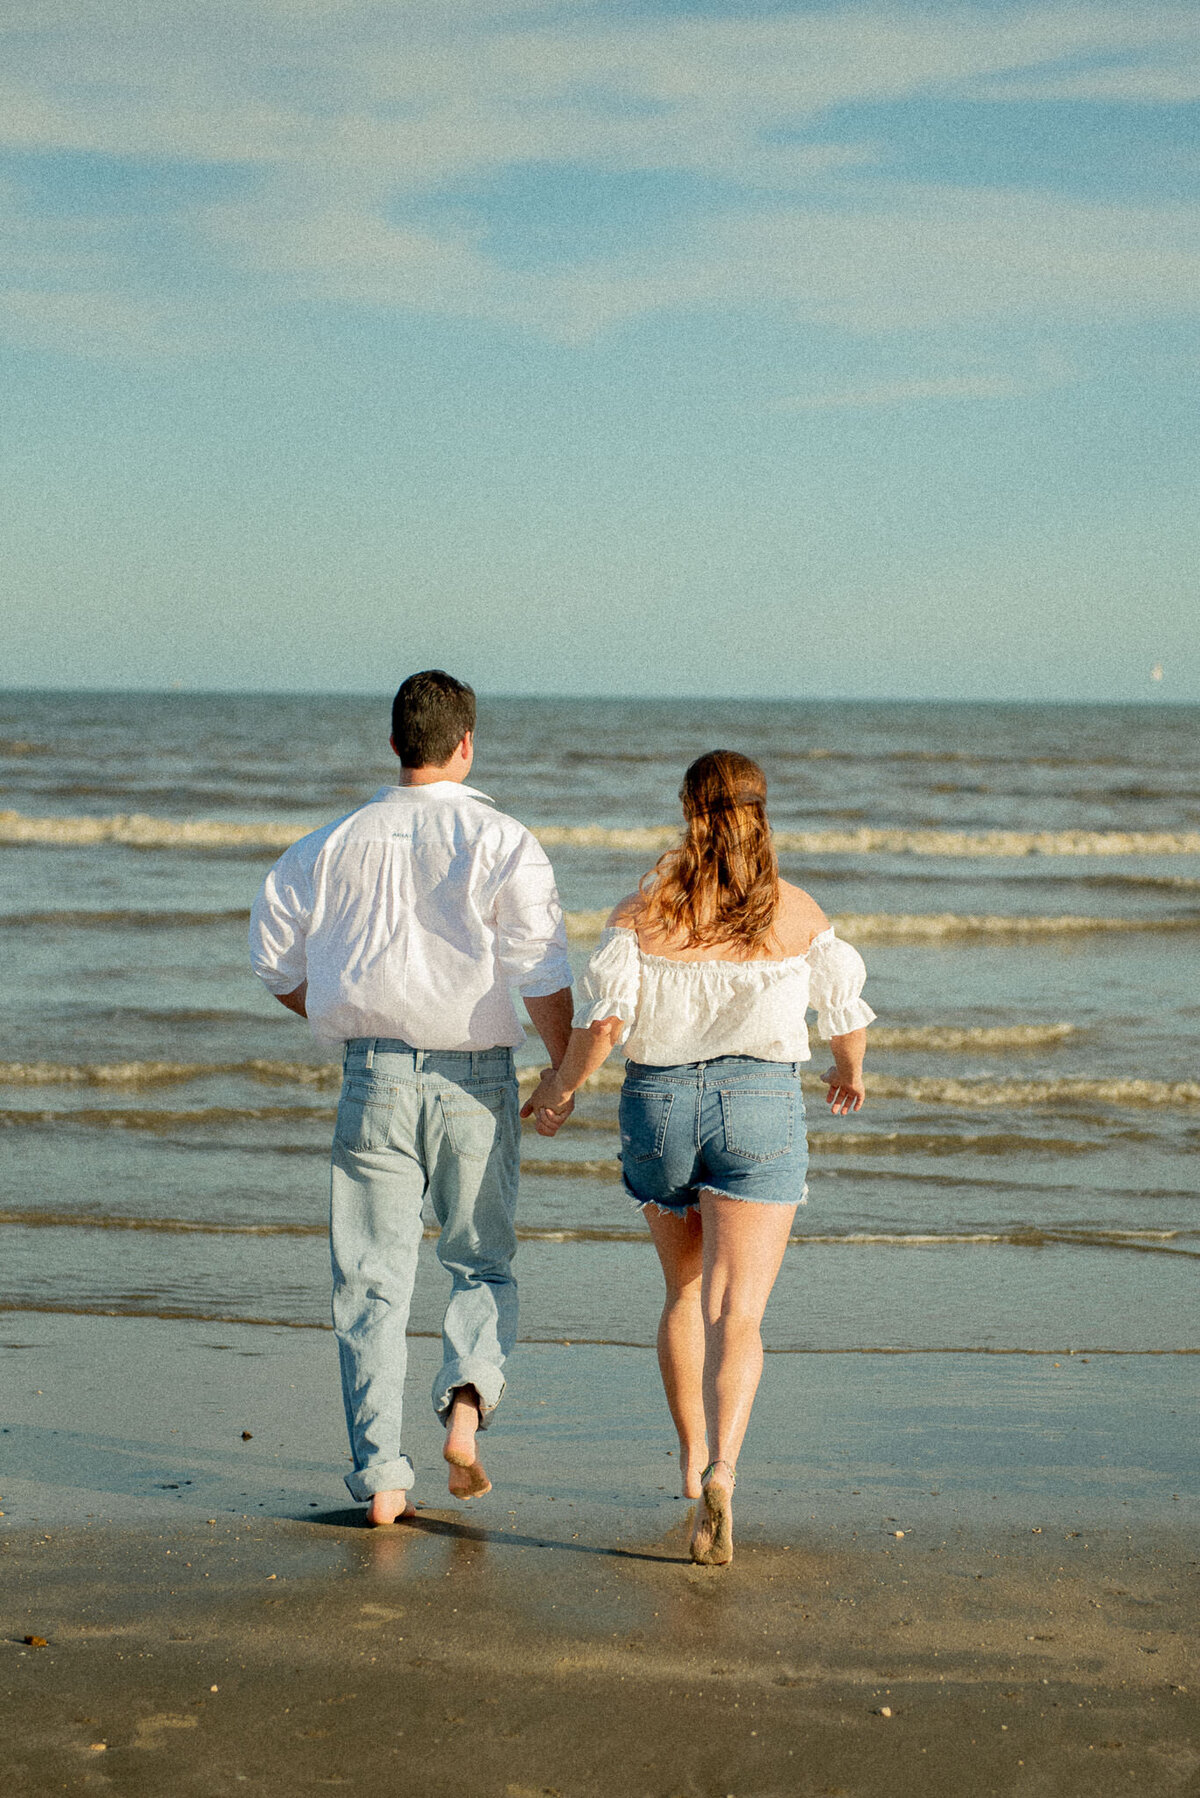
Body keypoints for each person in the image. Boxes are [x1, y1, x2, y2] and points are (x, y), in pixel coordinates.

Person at [522, 750, 875, 1565]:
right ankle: (724, 1471)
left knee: (683, 1292)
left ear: (688, 811)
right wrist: (848, 1071)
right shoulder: (794, 911)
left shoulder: (644, 912)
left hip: (658, 1109)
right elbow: (843, 1008)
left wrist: (561, 1089)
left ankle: (686, 1468)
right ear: (762, 812)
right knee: (737, 1314)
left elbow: (605, 1025)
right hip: (760, 1106)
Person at [249, 671, 574, 1524]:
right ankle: (465, 1406)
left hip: (375, 1076)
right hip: (477, 1081)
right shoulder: (504, 839)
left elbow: (275, 961)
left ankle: (382, 1479)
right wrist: (564, 1066)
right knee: (481, 1261)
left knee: (369, 1281)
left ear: (394, 743)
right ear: (466, 744)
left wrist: (339, 1014)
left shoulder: (329, 843)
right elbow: (539, 968)